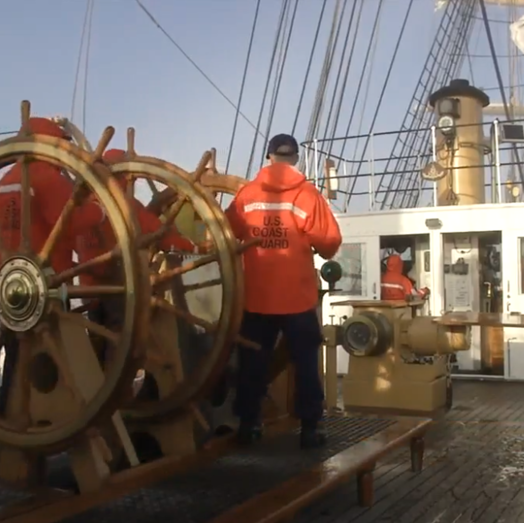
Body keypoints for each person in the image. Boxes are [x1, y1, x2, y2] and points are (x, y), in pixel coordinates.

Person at [225, 133, 342, 449]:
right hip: (297, 298)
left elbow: (224, 234)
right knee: (305, 362)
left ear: (269, 158)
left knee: (252, 362)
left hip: (257, 297)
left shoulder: (246, 196)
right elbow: (330, 244)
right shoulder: (307, 195)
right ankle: (310, 428)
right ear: (296, 160)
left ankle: (248, 425)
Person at [0, 117, 104, 417]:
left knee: (16, 353)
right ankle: (69, 415)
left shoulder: (5, 180)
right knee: (62, 355)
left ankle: (8, 418)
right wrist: (102, 210)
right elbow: (70, 219)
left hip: (12, 285)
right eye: (63, 142)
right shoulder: (46, 176)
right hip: (49, 283)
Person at [73, 148, 205, 361]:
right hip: (119, 289)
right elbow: (160, 233)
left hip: (87, 288)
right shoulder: (127, 206)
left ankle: (97, 386)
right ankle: (118, 389)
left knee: (97, 339)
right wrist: (197, 249)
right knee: (120, 342)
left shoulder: (82, 205)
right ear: (124, 173)